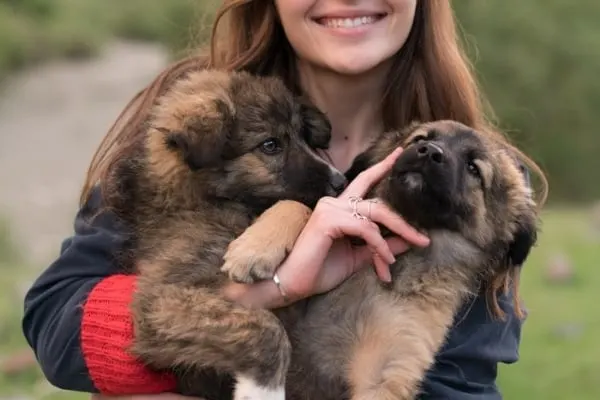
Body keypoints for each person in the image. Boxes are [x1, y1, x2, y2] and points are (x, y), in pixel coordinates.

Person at [22, 1, 547, 399]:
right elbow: (56, 327)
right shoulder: (206, 109)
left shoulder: (491, 191)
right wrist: (257, 296)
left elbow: (455, 384)